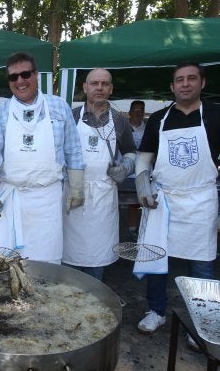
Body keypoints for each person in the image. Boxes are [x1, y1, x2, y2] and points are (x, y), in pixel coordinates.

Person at [133, 61, 220, 333]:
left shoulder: (219, 114)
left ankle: (202, 321)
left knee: (201, 264)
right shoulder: (159, 119)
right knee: (156, 259)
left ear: (202, 83)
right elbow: (143, 159)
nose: (185, 84)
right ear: (172, 86)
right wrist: (143, 186)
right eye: (179, 80)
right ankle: (156, 310)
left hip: (201, 201)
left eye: (191, 79)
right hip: (163, 201)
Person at [0, 52, 84, 264]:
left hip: (48, 199)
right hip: (11, 200)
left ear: (36, 75)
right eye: (13, 77)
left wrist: (76, 186)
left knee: (47, 265)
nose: (20, 81)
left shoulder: (59, 106)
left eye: (25, 74)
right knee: (10, 265)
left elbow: (73, 150)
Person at [62, 69, 136, 280]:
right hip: (73, 195)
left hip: (103, 196)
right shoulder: (70, 116)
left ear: (111, 89)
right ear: (85, 88)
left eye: (105, 84)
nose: (99, 87)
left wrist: (126, 166)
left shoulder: (120, 121)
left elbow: (130, 151)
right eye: (94, 83)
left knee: (97, 263)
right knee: (70, 264)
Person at [126, 100, 147, 241]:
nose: (138, 113)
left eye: (141, 110)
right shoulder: (122, 127)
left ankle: (144, 231)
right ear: (129, 112)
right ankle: (130, 230)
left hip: (143, 173)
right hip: (125, 174)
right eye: (135, 110)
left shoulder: (148, 128)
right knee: (127, 203)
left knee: (145, 203)